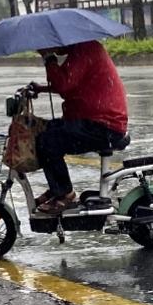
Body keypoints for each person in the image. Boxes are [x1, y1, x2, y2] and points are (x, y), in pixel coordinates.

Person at [28, 40, 129, 215]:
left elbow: (64, 84)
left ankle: (65, 194)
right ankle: (57, 188)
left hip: (102, 125)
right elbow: (73, 83)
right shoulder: (82, 49)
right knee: (46, 131)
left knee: (48, 141)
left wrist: (48, 58)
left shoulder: (84, 49)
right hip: (94, 120)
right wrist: (42, 89)